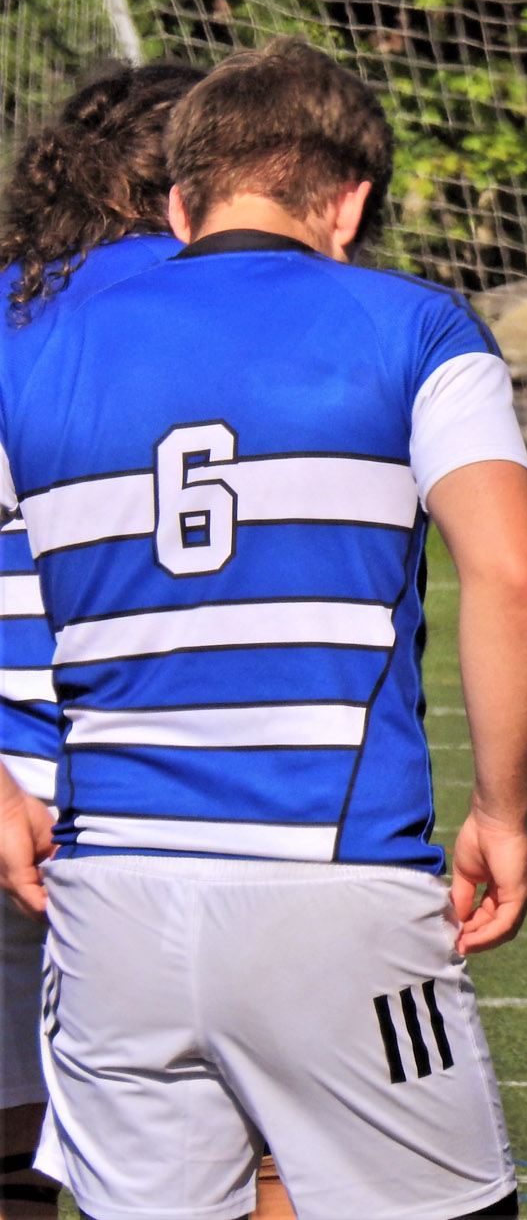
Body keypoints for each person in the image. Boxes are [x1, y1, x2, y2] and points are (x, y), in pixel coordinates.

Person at [0, 37, 527, 1220]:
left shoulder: (31, 338)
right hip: (333, 881)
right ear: (347, 201)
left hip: (110, 904)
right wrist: (502, 809)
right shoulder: (414, 327)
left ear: (182, 196)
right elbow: (508, 574)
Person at [0, 61, 205, 1220]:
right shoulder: (308, 323)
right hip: (202, 799)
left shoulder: (20, 313)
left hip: (23, 775)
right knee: (250, 1142)